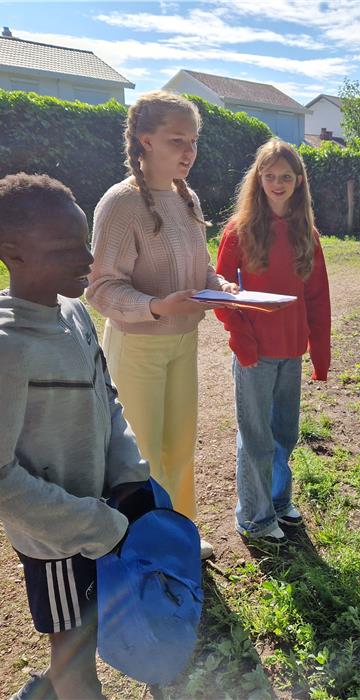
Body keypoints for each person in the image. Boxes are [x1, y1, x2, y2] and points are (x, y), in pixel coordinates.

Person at [0, 173, 150, 700]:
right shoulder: (8, 348)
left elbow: (106, 396)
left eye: (85, 241)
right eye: (66, 248)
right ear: (11, 253)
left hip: (98, 519)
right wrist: (89, 523)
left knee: (89, 630)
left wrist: (132, 477)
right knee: (76, 658)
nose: (87, 259)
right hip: (58, 542)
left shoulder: (75, 313)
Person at [87, 91, 232, 559]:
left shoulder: (188, 199)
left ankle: (179, 531)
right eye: (176, 140)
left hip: (183, 343)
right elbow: (102, 288)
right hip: (138, 349)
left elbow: (199, 269)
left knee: (180, 445)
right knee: (140, 453)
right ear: (145, 141)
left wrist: (220, 284)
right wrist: (155, 307)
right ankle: (141, 544)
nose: (188, 152)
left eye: (193, 141)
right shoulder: (120, 204)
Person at [214, 138, 331, 543]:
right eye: (269, 176)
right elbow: (220, 293)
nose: (277, 184)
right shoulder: (238, 230)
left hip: (290, 352)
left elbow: (317, 298)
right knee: (256, 438)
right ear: (257, 180)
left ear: (299, 182)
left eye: (286, 177)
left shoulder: (306, 233)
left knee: (284, 433)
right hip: (254, 355)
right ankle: (255, 517)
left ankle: (279, 502)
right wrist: (242, 342)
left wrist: (319, 353)